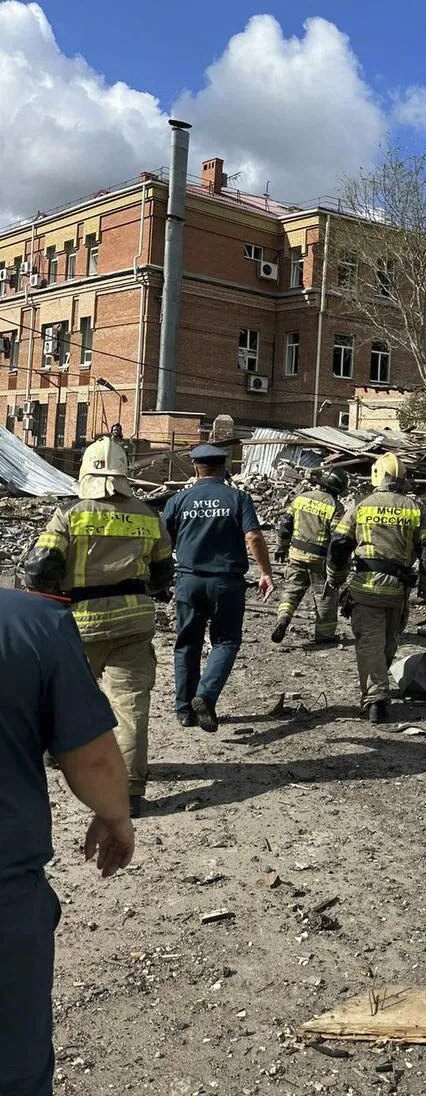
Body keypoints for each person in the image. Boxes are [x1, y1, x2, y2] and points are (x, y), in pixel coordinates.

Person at [0, 587, 135, 1096]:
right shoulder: (31, 621)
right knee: (11, 1059)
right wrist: (115, 815)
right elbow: (92, 757)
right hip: (4, 892)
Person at [22, 437, 173, 819]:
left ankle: (59, 756)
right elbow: (163, 573)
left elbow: (40, 570)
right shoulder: (147, 514)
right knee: (130, 707)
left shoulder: (69, 515)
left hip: (81, 624)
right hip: (134, 622)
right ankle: (130, 794)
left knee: (66, 697)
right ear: (125, 473)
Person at [162, 444, 274, 733]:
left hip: (188, 582)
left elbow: (162, 543)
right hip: (226, 583)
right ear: (224, 468)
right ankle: (206, 695)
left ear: (196, 468)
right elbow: (254, 536)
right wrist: (265, 572)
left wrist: (161, 579)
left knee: (187, 644)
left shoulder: (179, 500)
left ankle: (185, 711)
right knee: (225, 641)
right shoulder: (238, 498)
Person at [327, 453, 426, 723]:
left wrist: (336, 576)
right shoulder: (415, 509)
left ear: (376, 476)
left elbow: (340, 544)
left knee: (369, 644)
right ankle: (378, 689)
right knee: (388, 644)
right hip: (397, 591)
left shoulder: (362, 506)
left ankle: (376, 698)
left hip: (365, 588)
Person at [272, 467, 349, 645]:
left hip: (296, 554)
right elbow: (337, 538)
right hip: (319, 559)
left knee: (292, 589)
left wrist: (280, 546)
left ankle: (283, 617)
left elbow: (285, 524)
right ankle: (324, 635)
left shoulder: (301, 498)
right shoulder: (335, 506)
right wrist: (339, 565)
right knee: (325, 596)